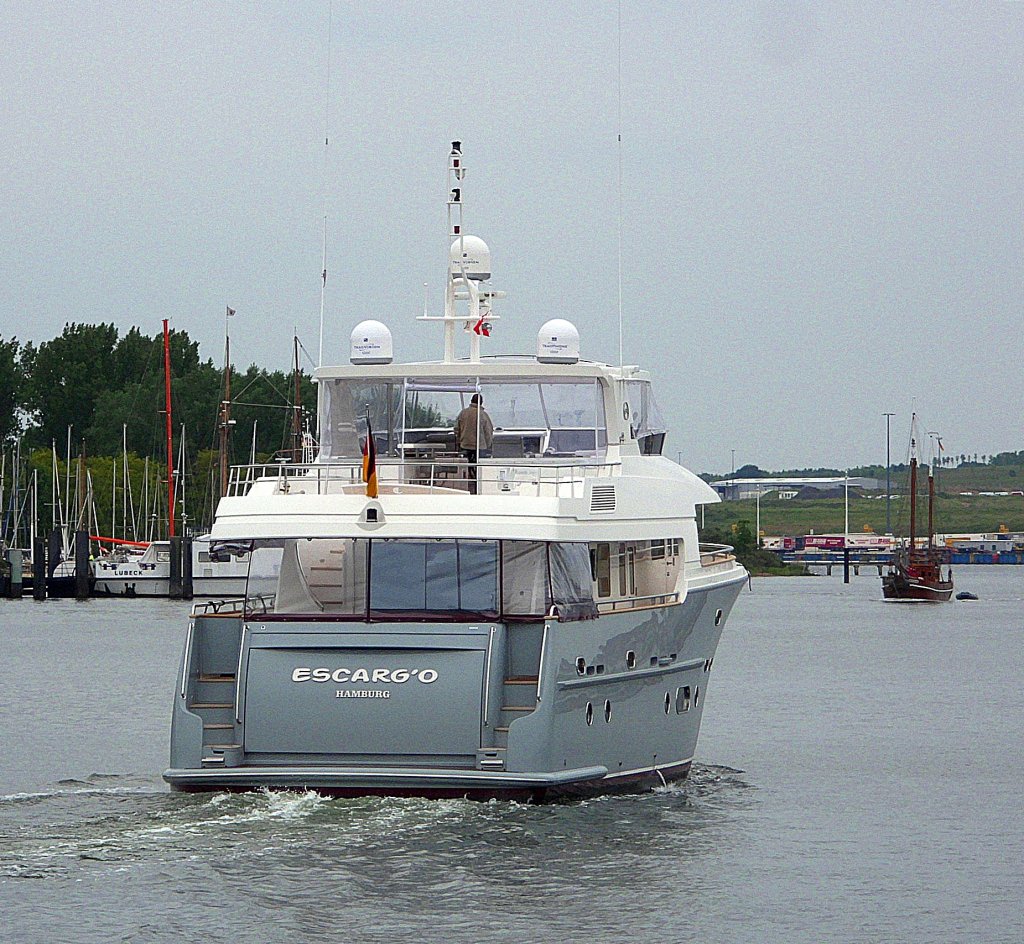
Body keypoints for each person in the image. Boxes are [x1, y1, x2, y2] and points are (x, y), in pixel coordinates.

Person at [454, 393, 494, 494]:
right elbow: (488, 432)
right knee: (480, 469)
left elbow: (456, 429)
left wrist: (460, 441)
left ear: (471, 401)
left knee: (468, 468)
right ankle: (479, 487)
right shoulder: (483, 415)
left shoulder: (463, 413)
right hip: (479, 447)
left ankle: (467, 487)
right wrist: (488, 445)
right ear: (481, 402)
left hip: (465, 445)